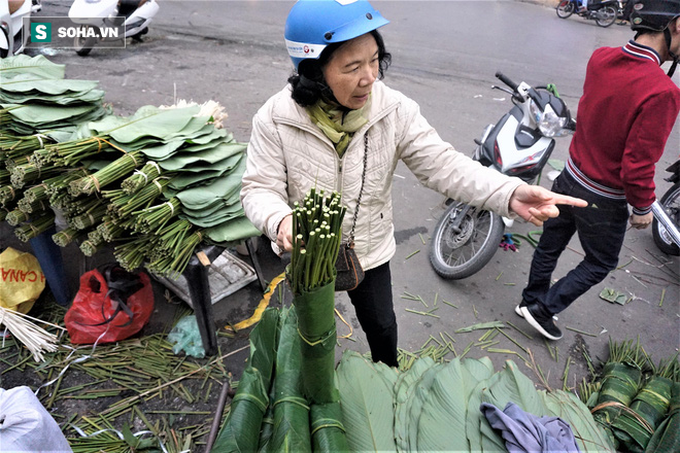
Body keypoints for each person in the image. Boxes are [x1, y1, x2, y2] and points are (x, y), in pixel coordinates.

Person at [240, 0, 587, 367]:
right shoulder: (275, 119)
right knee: (313, 328)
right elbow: (259, 188)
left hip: (368, 252)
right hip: (310, 253)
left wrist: (508, 192)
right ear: (312, 70)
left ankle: (387, 376)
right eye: (352, 66)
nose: (370, 77)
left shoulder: (394, 110)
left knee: (383, 326)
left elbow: (443, 164)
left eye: (374, 60)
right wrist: (280, 220)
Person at [516, 0, 680, 341]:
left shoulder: (601, 57)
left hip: (570, 176)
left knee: (550, 244)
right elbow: (638, 164)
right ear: (676, 25)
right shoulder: (663, 92)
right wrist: (642, 207)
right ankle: (542, 309)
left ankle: (530, 299)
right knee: (600, 262)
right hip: (603, 198)